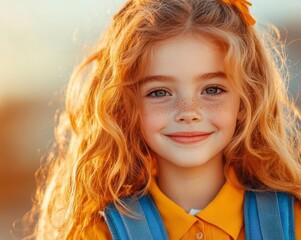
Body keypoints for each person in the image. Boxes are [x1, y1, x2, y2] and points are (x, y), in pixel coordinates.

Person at [25, 0, 301, 239]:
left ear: (246, 99)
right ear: (126, 106)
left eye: (212, 89)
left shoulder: (293, 222)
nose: (188, 111)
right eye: (159, 92)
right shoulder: (100, 233)